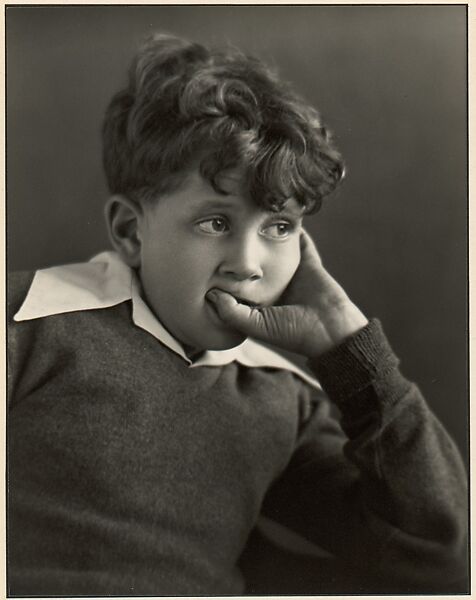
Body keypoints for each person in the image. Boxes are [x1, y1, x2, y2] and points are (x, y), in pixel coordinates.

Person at [7, 33, 467, 596]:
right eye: (216, 223)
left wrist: (349, 348)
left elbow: (435, 555)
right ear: (131, 231)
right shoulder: (30, 320)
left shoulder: (279, 398)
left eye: (279, 227)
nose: (248, 265)